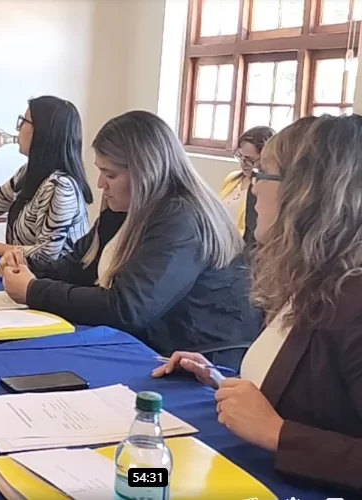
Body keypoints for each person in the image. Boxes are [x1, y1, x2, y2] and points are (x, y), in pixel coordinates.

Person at [153, 114, 362, 493]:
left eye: (262, 174)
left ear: (306, 193)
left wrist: (278, 433)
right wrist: (221, 378)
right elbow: (314, 397)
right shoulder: (310, 277)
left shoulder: (354, 301)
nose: (252, 189)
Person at [0, 110, 261, 367]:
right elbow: (78, 266)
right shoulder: (128, 208)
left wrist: (33, 291)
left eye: (110, 174)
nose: (100, 183)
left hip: (195, 360)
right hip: (152, 345)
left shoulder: (181, 218)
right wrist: (26, 267)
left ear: (144, 172)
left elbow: (127, 308)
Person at [0, 96, 93, 265]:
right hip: (24, 273)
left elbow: (46, 256)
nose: (18, 128)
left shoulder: (61, 186)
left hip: (52, 279)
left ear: (42, 131)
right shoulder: (28, 172)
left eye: (23, 121)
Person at [220, 126, 275, 246]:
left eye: (250, 160)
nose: (243, 164)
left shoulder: (267, 188)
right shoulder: (232, 179)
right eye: (240, 157)